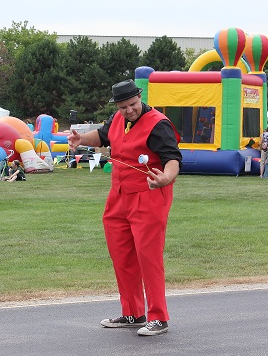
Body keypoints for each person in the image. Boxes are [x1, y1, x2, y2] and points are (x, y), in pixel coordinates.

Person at [67, 79, 182, 337]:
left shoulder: (158, 124)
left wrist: (166, 177)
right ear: (116, 106)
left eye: (132, 104)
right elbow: (104, 134)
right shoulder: (118, 118)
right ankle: (132, 312)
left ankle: (158, 317)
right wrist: (81, 139)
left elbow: (173, 158)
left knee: (148, 257)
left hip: (149, 194)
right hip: (118, 195)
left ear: (139, 97)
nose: (129, 110)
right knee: (121, 254)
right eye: (123, 107)